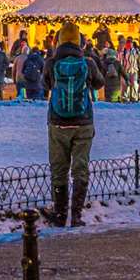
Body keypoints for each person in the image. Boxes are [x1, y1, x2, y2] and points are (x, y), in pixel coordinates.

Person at [41, 22, 111, 227]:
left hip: (58, 122)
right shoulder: (87, 63)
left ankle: (60, 214)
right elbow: (99, 83)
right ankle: (77, 215)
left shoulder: (52, 63)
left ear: (60, 40)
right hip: (83, 122)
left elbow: (45, 85)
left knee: (59, 168)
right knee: (81, 168)